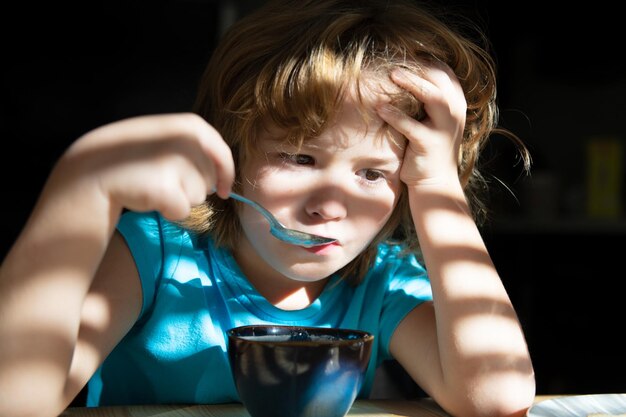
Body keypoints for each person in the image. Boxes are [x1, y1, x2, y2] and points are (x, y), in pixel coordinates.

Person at [0, 1, 536, 416]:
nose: (331, 206)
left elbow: (495, 396)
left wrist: (439, 185)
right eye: (299, 157)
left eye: (373, 174)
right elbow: (12, 399)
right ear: (228, 149)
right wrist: (80, 190)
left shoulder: (382, 283)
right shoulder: (156, 254)